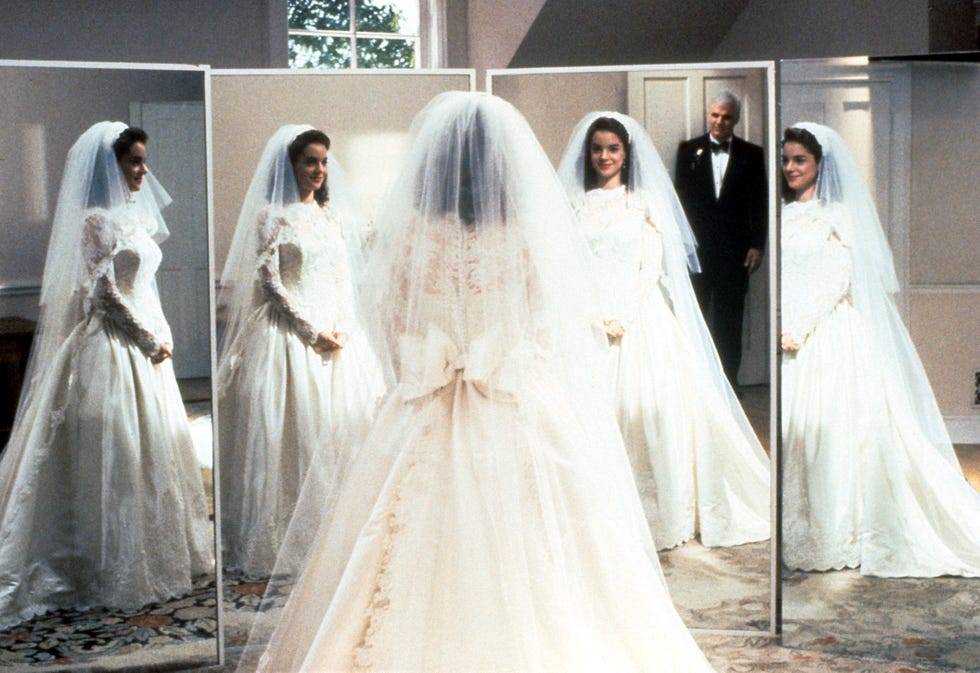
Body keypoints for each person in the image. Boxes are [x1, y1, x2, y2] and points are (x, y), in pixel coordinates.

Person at [239, 92, 717, 673]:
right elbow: (548, 327)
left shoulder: (413, 234)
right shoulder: (524, 235)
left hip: (426, 403)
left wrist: (423, 367)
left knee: (394, 541)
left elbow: (388, 323)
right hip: (511, 396)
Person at [0, 122, 213, 629]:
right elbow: (103, 293)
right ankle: (100, 567)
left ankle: (157, 554)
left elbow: (144, 286)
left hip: (145, 345)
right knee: (115, 451)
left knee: (151, 448)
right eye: (134, 162)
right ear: (109, 166)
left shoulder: (134, 218)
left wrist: (162, 336)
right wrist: (145, 340)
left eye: (143, 160)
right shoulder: (96, 220)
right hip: (112, 346)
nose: (143, 170)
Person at [557, 111, 769, 551]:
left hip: (637, 317)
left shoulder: (645, 204)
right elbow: (570, 268)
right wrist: (593, 313)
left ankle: (656, 510)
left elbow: (652, 266)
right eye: (597, 149)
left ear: (627, 153)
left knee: (646, 411)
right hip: (589, 316)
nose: (604, 156)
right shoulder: (574, 204)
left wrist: (623, 316)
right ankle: (598, 513)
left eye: (613, 149)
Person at [780, 122, 980, 577]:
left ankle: (840, 528)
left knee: (834, 431)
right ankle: (803, 526)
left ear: (820, 165)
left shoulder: (840, 217)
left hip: (827, 333)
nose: (790, 168)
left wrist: (799, 328)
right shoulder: (785, 215)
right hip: (791, 334)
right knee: (799, 433)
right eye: (787, 159)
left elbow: (837, 277)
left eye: (800, 160)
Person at [217, 125, 386, 578]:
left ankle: (343, 531)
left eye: (324, 161)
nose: (319, 170)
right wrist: (311, 332)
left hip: (340, 337)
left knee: (344, 429)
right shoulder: (272, 216)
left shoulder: (332, 217)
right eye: (310, 161)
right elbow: (270, 283)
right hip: (291, 337)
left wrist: (344, 330)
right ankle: (292, 538)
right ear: (291, 164)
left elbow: (344, 278)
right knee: (295, 434)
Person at [674, 90, 767, 388]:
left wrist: (757, 244)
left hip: (735, 254)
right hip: (697, 254)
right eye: (715, 115)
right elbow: (679, 201)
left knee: (730, 322)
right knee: (694, 318)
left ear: (736, 119)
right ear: (708, 114)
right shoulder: (688, 150)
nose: (720, 121)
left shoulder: (752, 154)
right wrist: (681, 247)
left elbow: (760, 203)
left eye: (727, 117)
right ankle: (696, 385)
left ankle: (730, 384)